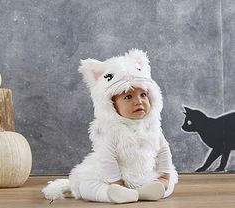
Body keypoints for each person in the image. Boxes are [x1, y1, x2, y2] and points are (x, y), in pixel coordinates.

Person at [42, 49, 178, 203]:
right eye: (128, 96)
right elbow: (107, 158)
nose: (138, 101)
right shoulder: (112, 131)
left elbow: (164, 150)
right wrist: (117, 183)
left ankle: (146, 192)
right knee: (85, 185)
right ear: (112, 106)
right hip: (110, 178)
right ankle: (110, 193)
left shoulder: (152, 127)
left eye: (143, 95)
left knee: (169, 183)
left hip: (143, 176)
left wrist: (165, 176)